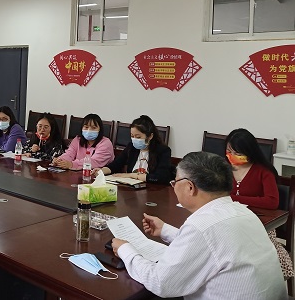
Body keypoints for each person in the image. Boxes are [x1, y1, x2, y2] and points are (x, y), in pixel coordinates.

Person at [111, 152, 287, 299]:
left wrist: (126, 250)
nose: (174, 187)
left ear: (190, 187)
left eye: (175, 182)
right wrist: (165, 230)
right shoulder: (243, 212)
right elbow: (211, 247)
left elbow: (160, 282)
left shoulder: (202, 226)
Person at [225, 128, 293, 279]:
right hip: (229, 219)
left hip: (258, 223)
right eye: (229, 151)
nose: (232, 156)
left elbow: (272, 202)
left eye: (237, 152)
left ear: (249, 151)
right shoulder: (224, 169)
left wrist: (234, 198)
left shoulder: (263, 171)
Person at [93, 115, 173, 184]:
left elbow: (161, 177)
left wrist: (131, 175)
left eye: (138, 137)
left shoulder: (163, 151)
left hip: (153, 191)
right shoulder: (131, 147)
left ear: (150, 136)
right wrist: (101, 171)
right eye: (132, 136)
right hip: (132, 188)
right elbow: (116, 165)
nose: (134, 139)